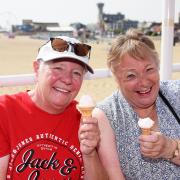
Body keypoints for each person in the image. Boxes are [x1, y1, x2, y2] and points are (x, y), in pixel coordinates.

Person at [0, 36, 125, 179]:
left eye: (77, 73)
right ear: (36, 69)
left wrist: (89, 153)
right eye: (58, 68)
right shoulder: (4, 111)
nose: (67, 80)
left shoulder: (87, 119)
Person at [95, 28, 180, 179]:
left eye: (149, 69)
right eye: (131, 75)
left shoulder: (176, 93)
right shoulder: (106, 115)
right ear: (116, 78)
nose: (143, 82)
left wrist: (170, 148)